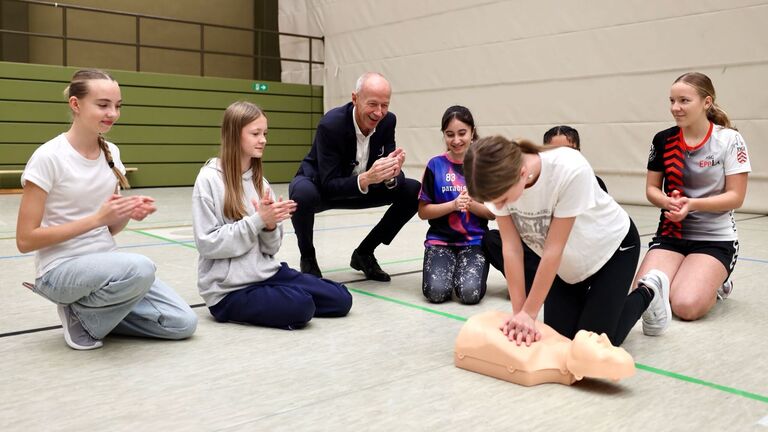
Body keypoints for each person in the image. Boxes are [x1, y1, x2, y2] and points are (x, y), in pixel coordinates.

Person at [16, 69, 197, 350]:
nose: (112, 113)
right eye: (102, 105)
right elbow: (25, 240)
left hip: (105, 267)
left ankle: (89, 313)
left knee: (183, 322)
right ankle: (80, 314)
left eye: (117, 106)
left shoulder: (112, 153)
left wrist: (125, 213)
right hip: (59, 272)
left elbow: (110, 229)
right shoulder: (47, 157)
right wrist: (96, 219)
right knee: (141, 267)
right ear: (75, 104)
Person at [464, 135, 671, 346]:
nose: (499, 205)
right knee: (560, 342)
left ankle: (649, 291)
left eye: (503, 200)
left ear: (522, 173)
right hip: (565, 268)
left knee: (594, 344)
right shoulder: (498, 184)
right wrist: (520, 313)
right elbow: (511, 249)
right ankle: (598, 311)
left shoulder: (569, 168)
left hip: (612, 251)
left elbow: (554, 249)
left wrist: (531, 312)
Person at [192, 101, 352, 330]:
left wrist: (270, 227)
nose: (263, 140)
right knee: (302, 306)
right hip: (229, 290)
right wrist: (258, 221)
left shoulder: (261, 183)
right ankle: (279, 298)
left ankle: (279, 295)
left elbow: (271, 249)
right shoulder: (209, 180)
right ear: (234, 135)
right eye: (255, 133)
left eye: (265, 133)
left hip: (265, 273)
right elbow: (208, 244)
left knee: (340, 299)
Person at [634, 72, 750, 322]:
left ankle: (719, 286)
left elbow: (736, 197)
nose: (675, 108)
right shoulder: (663, 140)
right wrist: (667, 202)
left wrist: (692, 204)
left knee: (685, 306)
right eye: (672, 101)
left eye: (684, 101)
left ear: (706, 102)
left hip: (714, 240)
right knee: (642, 297)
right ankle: (686, 276)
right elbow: (652, 189)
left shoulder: (729, 140)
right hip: (671, 236)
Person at [289, 72, 421, 281]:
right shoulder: (331, 124)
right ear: (355, 99)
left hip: (364, 183)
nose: (379, 113)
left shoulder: (388, 122)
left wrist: (391, 173)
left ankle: (364, 253)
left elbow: (390, 171)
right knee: (301, 195)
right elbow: (329, 184)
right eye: (372, 104)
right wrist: (367, 179)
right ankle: (308, 258)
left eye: (384, 105)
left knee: (413, 190)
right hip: (322, 185)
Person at [482, 125, 606, 293]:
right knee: (492, 238)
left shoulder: (585, 179)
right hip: (539, 248)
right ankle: (530, 283)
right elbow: (513, 243)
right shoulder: (526, 180)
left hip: (570, 252)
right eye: (556, 150)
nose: (564, 155)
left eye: (570, 150)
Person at [417, 106, 494, 304]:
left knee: (469, 294)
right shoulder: (435, 165)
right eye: (450, 134)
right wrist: (452, 205)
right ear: (443, 134)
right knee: (436, 293)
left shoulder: (483, 165)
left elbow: (493, 213)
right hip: (440, 242)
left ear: (472, 132)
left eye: (462, 133)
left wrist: (470, 204)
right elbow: (423, 212)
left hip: (473, 242)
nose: (456, 140)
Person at [455, 310, 635, 387]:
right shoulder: (559, 337)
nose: (604, 338)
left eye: (606, 350)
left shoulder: (529, 361)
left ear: (579, 375)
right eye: (612, 345)